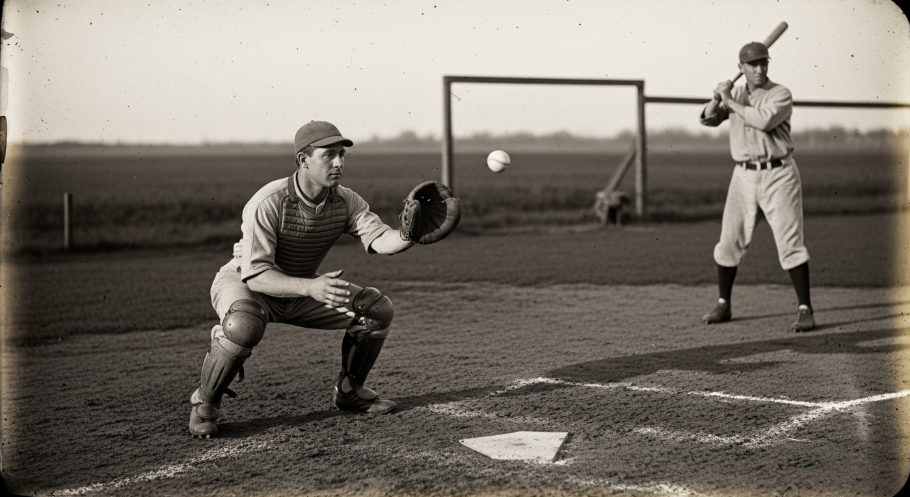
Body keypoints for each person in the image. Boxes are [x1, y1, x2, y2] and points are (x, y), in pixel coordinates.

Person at [188, 121, 456, 438]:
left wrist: (410, 235)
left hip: (302, 288)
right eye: (329, 155)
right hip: (247, 285)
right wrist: (311, 287)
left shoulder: (345, 201)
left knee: (376, 311)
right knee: (242, 325)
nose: (339, 163)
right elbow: (256, 274)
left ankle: (349, 391)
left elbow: (382, 239)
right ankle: (205, 403)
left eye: (342, 155)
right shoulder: (269, 201)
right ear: (303, 160)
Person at [699, 41, 814, 332]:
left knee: (790, 242)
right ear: (742, 68)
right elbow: (709, 119)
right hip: (743, 175)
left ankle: (805, 309)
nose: (760, 68)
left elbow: (762, 121)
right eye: (753, 64)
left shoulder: (780, 94)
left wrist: (729, 99)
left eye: (764, 63)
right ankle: (723, 305)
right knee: (728, 241)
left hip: (779, 173)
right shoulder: (735, 93)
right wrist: (716, 98)